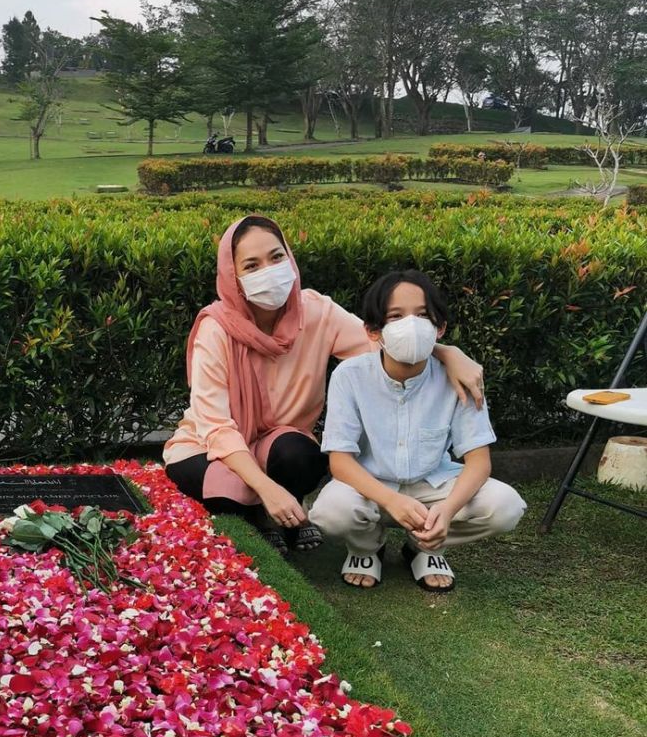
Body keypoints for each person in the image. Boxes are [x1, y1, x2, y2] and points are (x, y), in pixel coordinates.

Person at [163, 215, 486, 554]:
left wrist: (445, 351)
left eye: (276, 257)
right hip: (210, 445)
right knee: (222, 489)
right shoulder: (216, 329)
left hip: (279, 444)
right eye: (252, 265)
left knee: (298, 455)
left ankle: (279, 511)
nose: (269, 271)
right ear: (234, 278)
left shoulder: (316, 312)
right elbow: (215, 426)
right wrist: (266, 488)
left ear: (290, 257)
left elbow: (384, 344)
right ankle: (262, 513)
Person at [308, 269, 526, 591]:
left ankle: (425, 547)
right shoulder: (350, 376)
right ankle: (367, 547)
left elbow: (479, 462)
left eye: (422, 315)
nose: (410, 325)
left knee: (506, 506)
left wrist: (447, 510)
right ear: (373, 331)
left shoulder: (459, 377)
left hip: (434, 483)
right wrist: (390, 500)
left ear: (439, 328)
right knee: (330, 512)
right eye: (395, 316)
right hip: (373, 484)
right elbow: (339, 462)